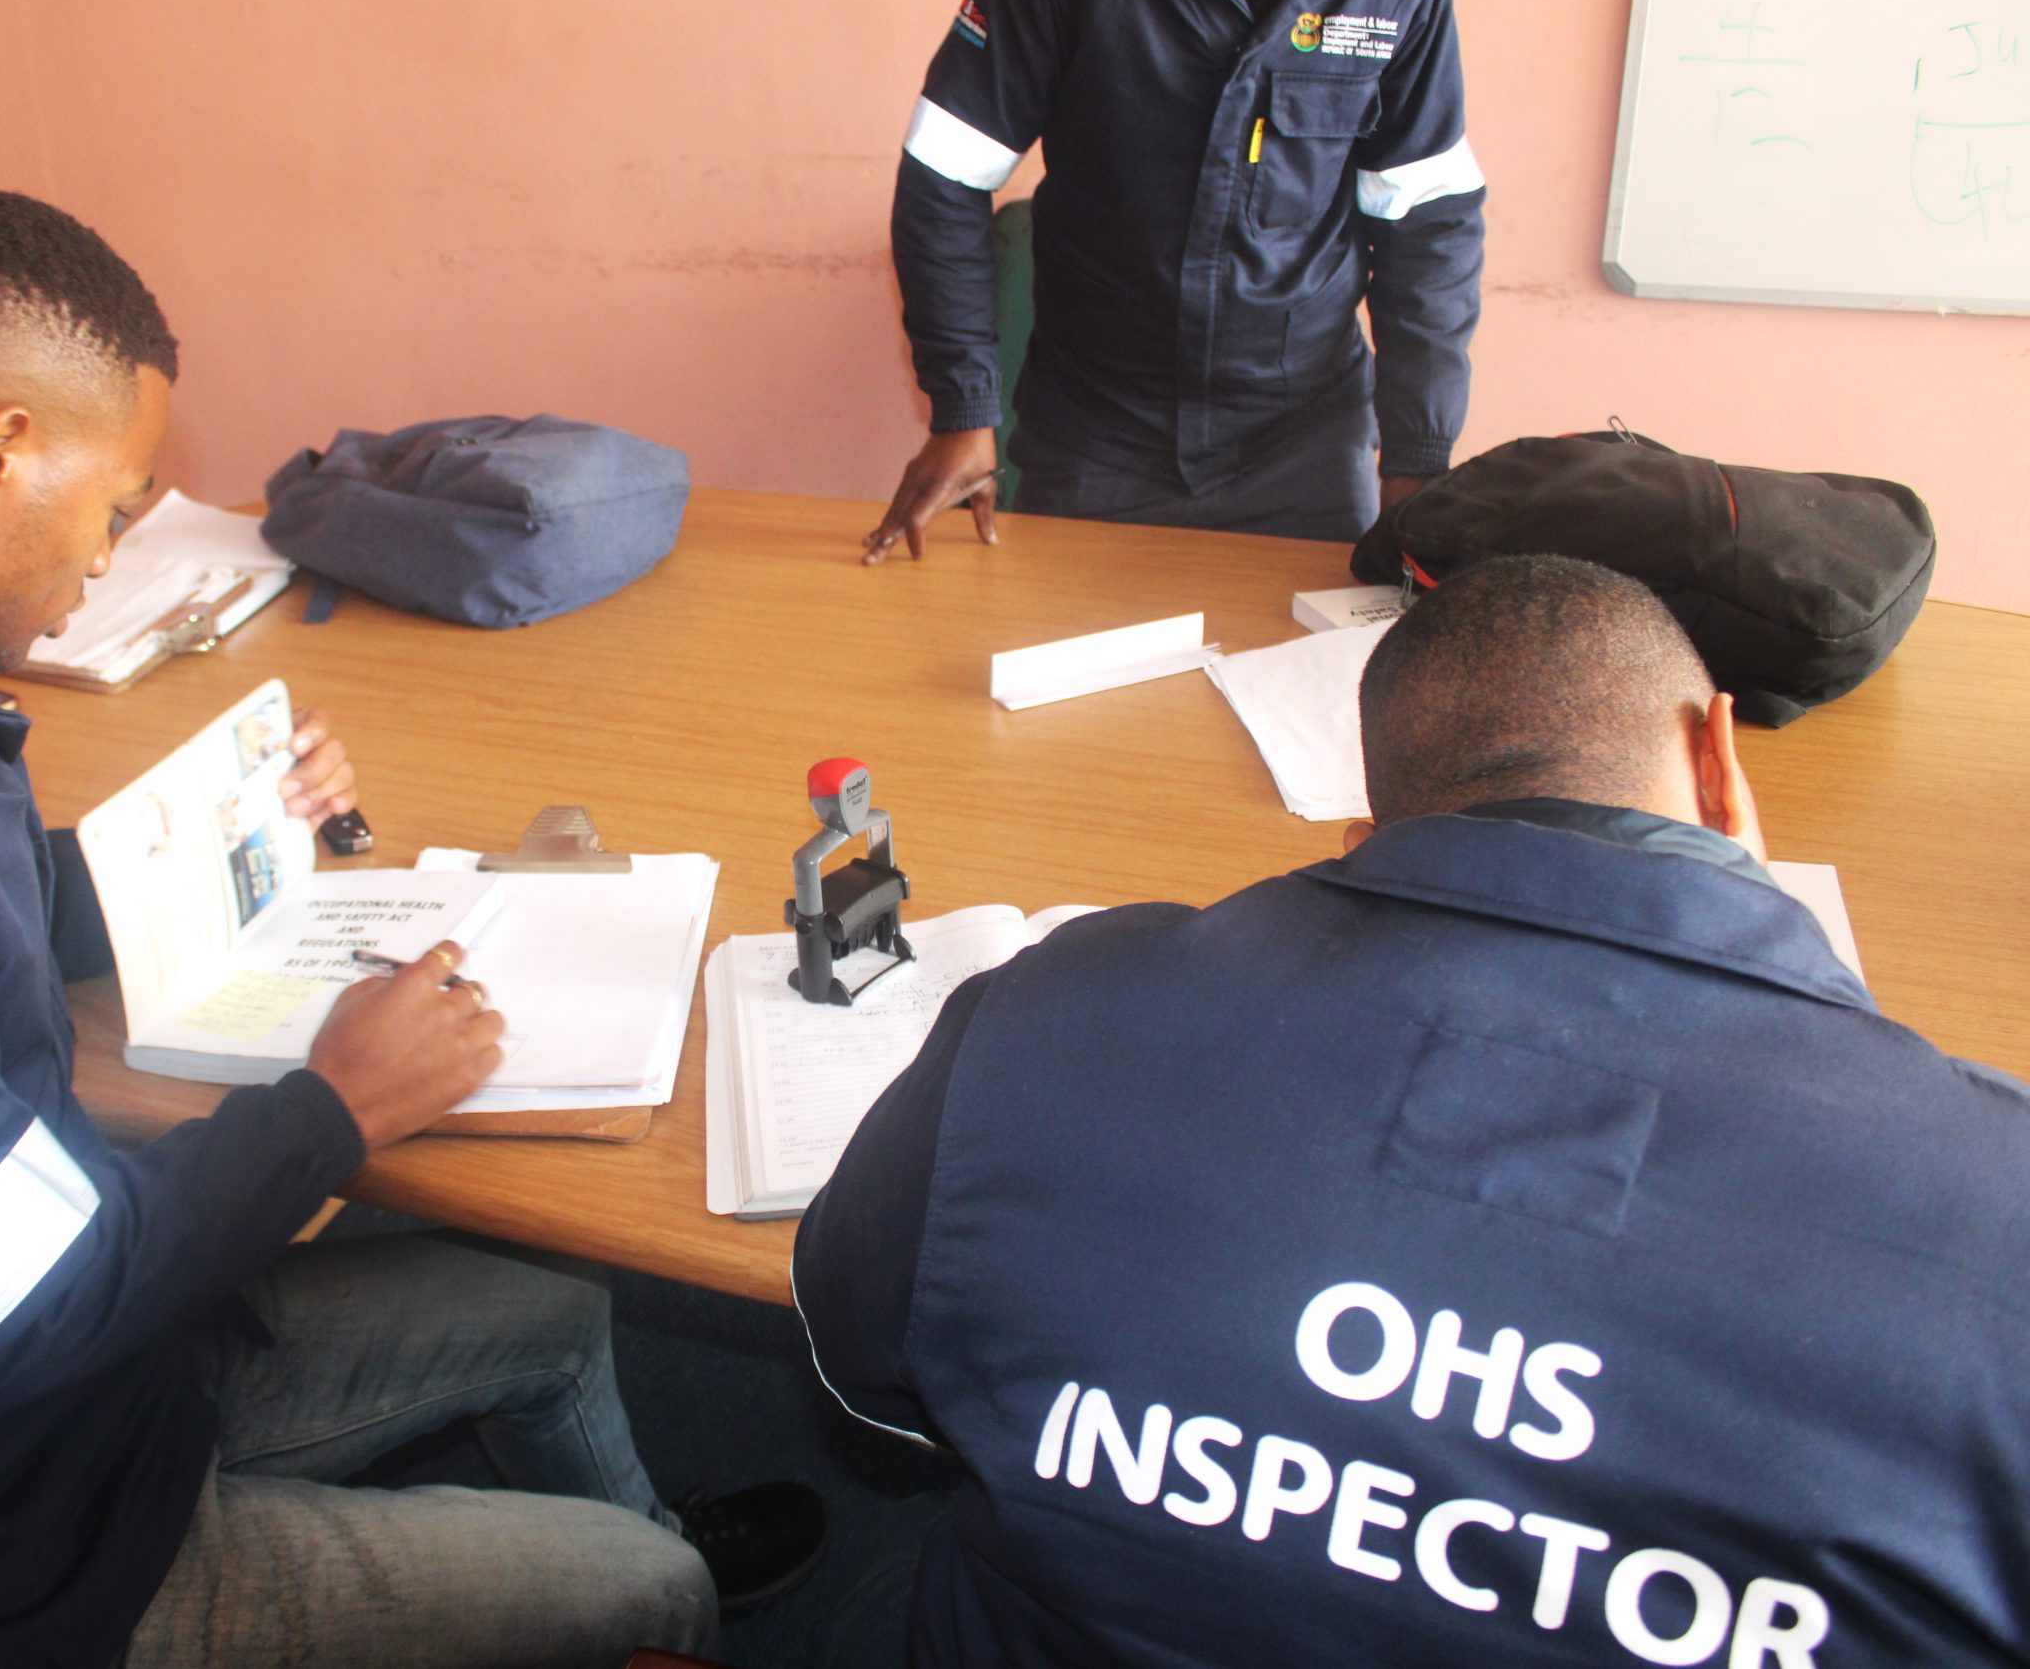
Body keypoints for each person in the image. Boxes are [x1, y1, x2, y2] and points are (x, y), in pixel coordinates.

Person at [0, 187, 816, 1669]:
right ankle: (650, 1584)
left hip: (90, 1385)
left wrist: (247, 839)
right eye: (119, 506)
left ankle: (634, 1539)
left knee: (550, 1311)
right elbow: (2, 1309)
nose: (111, 555)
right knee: (642, 1597)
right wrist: (336, 1108)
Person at [795, 555, 2030, 1665]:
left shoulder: (1050, 1012)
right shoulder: (1994, 1206)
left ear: (1364, 823)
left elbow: (866, 1365)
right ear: (1719, 759)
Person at [862, 0, 1484, 563]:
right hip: (1097, 434)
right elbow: (945, 171)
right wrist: (964, 412)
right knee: (1062, 661)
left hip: (1306, 447)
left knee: (1312, 663)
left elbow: (1428, 214)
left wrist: (1418, 459)